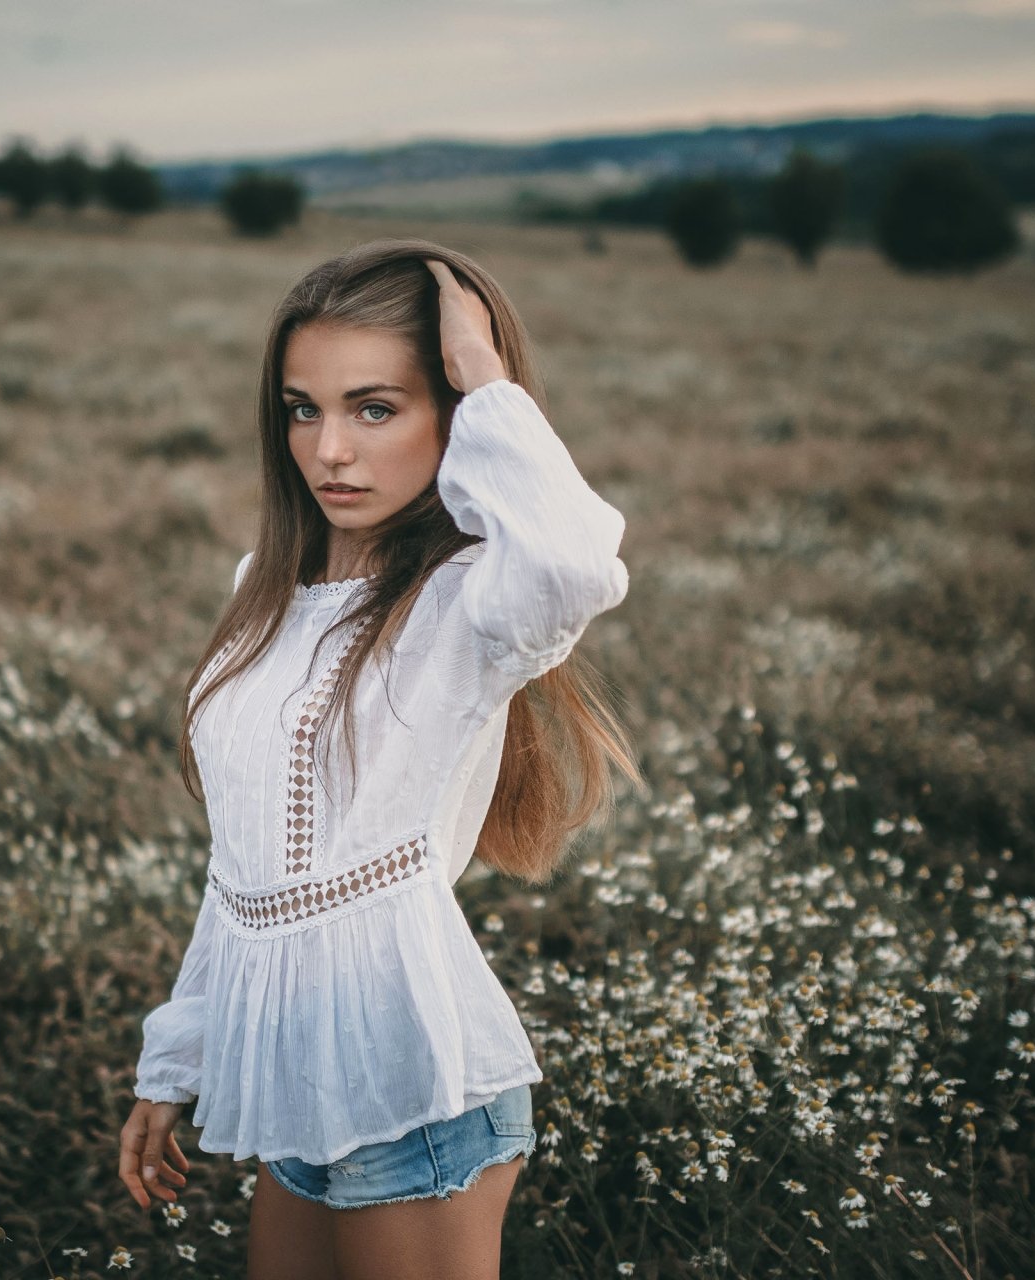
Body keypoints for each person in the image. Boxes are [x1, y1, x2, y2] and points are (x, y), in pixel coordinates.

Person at [116, 238, 639, 1279]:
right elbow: (245, 866)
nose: (329, 452)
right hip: (296, 1076)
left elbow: (573, 565)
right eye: (302, 409)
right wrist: (176, 1056)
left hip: (414, 1091)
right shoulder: (264, 587)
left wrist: (484, 376)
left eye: (375, 408)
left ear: (452, 415)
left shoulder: (468, 602)